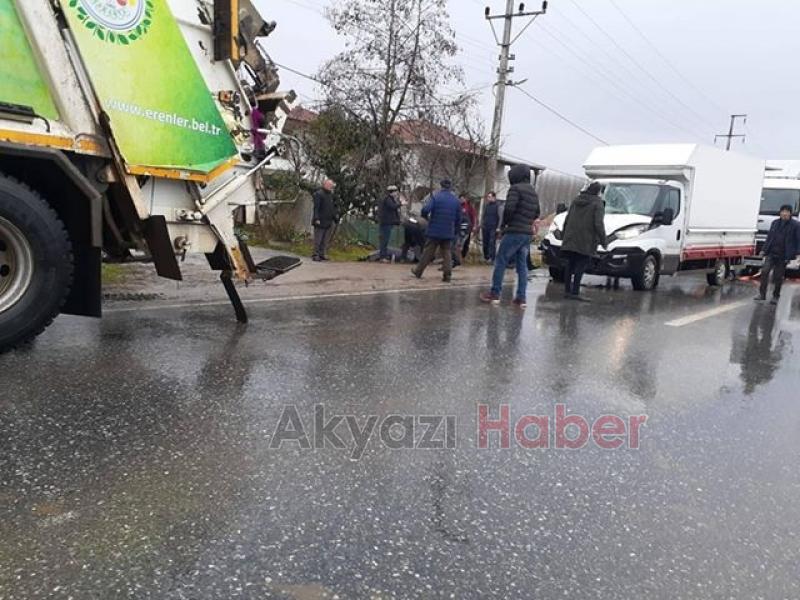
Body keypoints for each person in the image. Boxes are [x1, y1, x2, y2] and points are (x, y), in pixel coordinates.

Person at [480, 164, 540, 308]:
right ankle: (521, 297)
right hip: (526, 234)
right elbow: (537, 212)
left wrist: (504, 225)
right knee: (522, 265)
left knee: (501, 260)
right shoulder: (533, 191)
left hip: (514, 231)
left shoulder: (515, 189)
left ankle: (495, 293)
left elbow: (509, 209)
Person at [560, 181, 606, 301]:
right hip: (586, 240)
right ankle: (575, 292)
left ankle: (567, 291)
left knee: (570, 264)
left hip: (570, 238)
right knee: (580, 265)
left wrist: (564, 235)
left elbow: (567, 219)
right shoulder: (598, 203)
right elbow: (598, 224)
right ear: (598, 192)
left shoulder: (576, 200)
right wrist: (603, 240)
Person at [412, 180, 461, 282]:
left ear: (441, 186)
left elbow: (425, 210)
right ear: (450, 187)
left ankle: (418, 271)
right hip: (448, 231)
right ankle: (447, 275)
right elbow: (458, 218)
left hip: (434, 229)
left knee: (428, 251)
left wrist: (427, 218)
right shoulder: (455, 200)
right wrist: (455, 230)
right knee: (447, 252)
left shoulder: (436, 197)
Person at [756, 204, 799, 304]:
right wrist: (763, 250)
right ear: (780, 213)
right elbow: (769, 238)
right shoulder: (775, 223)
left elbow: (798, 240)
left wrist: (797, 253)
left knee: (778, 276)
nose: (784, 214)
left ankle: (776, 296)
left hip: (783, 255)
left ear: (790, 213)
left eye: (787, 212)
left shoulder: (795, 225)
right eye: (783, 211)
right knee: (764, 272)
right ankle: (762, 294)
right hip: (771, 253)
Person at [312, 179, 338, 262]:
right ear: (325, 185)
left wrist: (335, 218)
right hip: (320, 220)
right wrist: (316, 218)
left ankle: (322, 254)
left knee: (325, 240)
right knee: (318, 239)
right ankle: (315, 254)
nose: (331, 187)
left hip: (328, 221)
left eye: (331, 185)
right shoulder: (318, 194)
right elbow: (316, 207)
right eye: (329, 185)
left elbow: (332, 208)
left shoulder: (331, 195)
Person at [378, 185, 403, 262]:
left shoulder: (390, 199)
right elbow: (393, 207)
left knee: (385, 239)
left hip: (387, 223)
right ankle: (382, 257)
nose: (397, 193)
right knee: (384, 240)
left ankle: (383, 256)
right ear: (392, 192)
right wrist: (401, 203)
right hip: (386, 223)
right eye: (396, 192)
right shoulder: (388, 199)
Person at [481, 191, 500, 263]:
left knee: (491, 243)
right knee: (485, 242)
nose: (488, 198)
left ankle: (492, 258)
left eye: (490, 197)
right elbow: (484, 215)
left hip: (493, 227)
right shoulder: (486, 206)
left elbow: (499, 217)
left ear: (494, 197)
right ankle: (486, 257)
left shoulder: (497, 206)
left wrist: (498, 227)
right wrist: (482, 223)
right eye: (488, 197)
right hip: (485, 226)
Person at [460, 193, 478, 260]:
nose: (461, 200)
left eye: (463, 199)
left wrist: (474, 226)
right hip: (459, 227)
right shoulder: (458, 206)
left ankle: (463, 256)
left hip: (467, 227)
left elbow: (473, 216)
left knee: (466, 242)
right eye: (460, 199)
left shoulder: (469, 207)